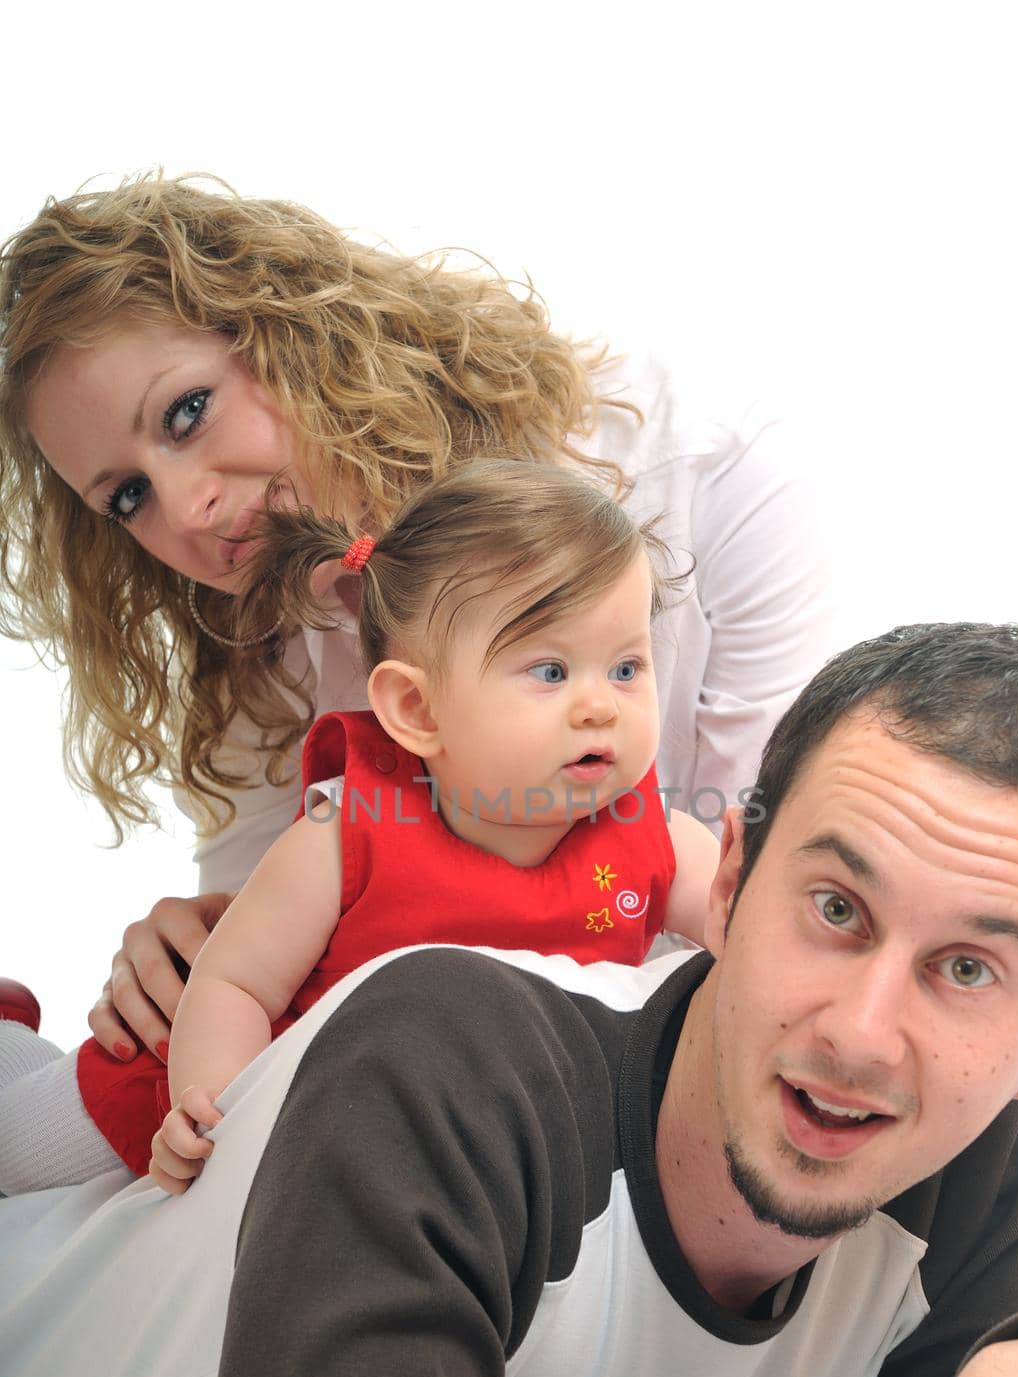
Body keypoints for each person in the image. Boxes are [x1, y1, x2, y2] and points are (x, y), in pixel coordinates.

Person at [1, 620, 1018, 1377]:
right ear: (727, 884)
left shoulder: (965, 1158)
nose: (861, 1033)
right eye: (835, 908)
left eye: (966, 968)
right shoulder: (448, 1063)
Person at [0, 172, 831, 1136]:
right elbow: (276, 942)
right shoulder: (253, 628)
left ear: (301, 332)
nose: (187, 511)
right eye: (127, 496)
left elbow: (763, 898)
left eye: (187, 412)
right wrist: (193, 950)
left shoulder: (700, 475)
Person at [2, 461, 720, 1192]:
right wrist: (220, 1110)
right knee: (17, 1146)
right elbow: (236, 985)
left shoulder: (658, 840)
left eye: (627, 668)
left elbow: (751, 926)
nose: (602, 706)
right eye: (549, 671)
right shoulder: (349, 834)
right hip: (252, 1071)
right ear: (417, 710)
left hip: (438, 1127)